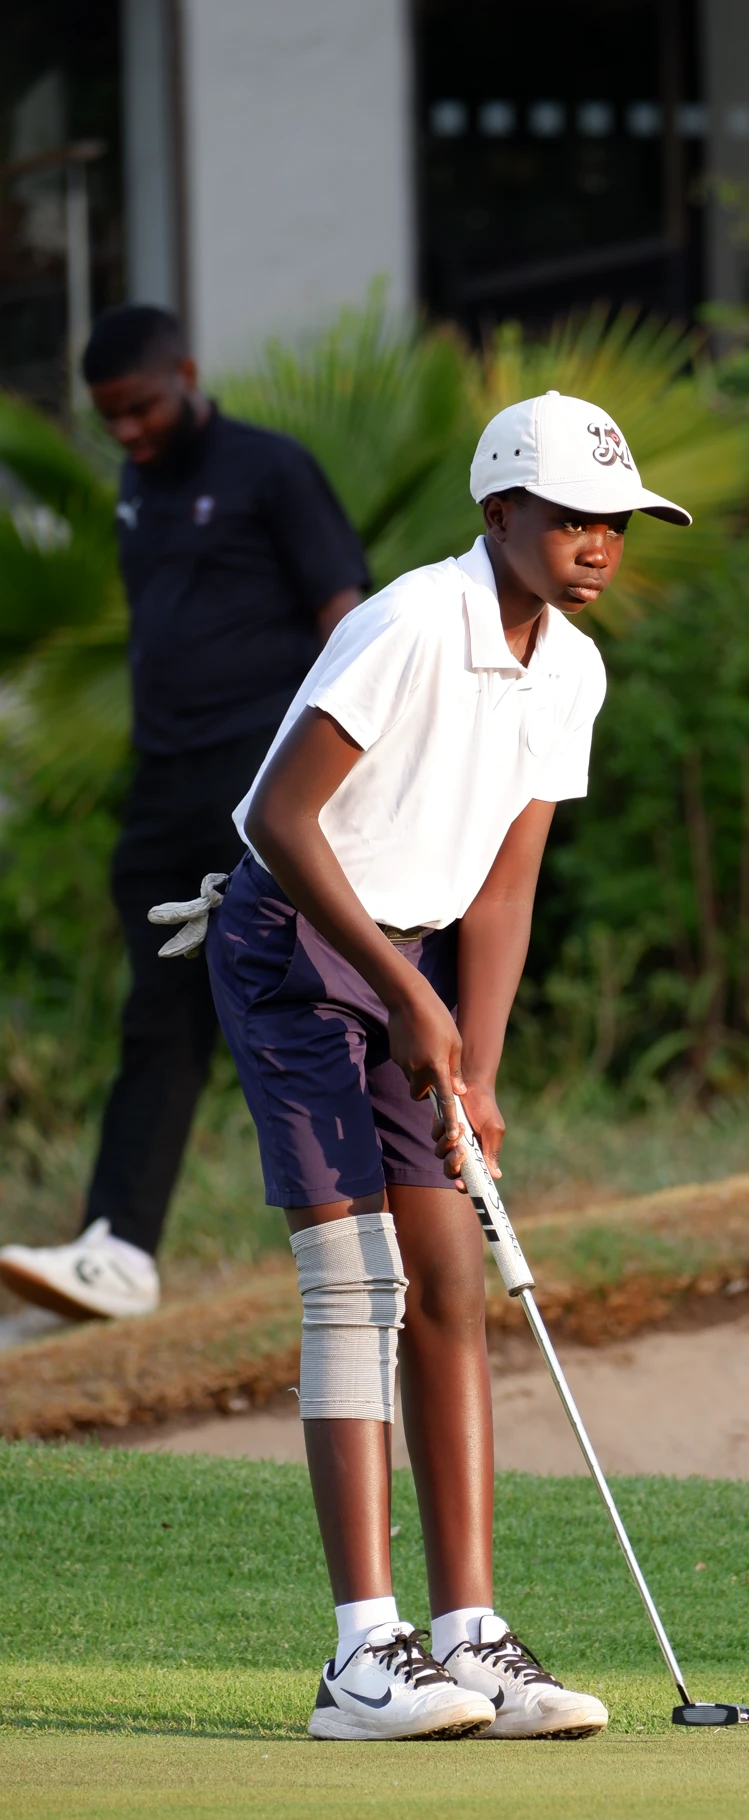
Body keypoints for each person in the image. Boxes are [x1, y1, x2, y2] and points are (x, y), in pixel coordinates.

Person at [204, 390, 690, 1740]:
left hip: (407, 960)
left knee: (451, 1280)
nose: (600, 543)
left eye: (617, 523)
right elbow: (278, 815)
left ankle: (469, 1636)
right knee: (355, 1283)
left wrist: (477, 1063)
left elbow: (506, 887)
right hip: (293, 949)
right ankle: (363, 1653)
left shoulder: (572, 672)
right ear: (500, 512)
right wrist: (406, 993)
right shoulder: (415, 621)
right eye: (574, 517)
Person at [0, 305, 368, 1321]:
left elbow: (348, 621)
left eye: (142, 408)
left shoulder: (272, 469)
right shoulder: (137, 485)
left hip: (263, 787)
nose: (127, 432)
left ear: (188, 376)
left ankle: (395, 1220)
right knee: (156, 1019)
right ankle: (118, 1251)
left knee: (316, 1003)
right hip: (163, 787)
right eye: (109, 417)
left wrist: (329, 779)